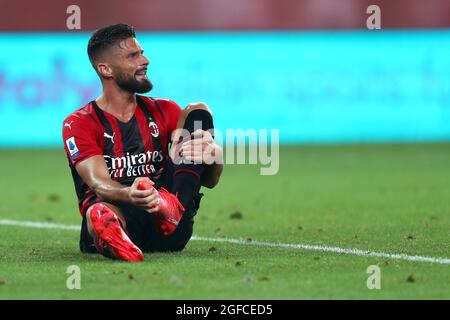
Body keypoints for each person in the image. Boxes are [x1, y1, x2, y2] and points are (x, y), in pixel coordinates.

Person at [62, 24, 223, 262]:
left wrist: (216, 158)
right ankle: (113, 236)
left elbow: (208, 181)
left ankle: (170, 208)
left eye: (142, 53)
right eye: (133, 56)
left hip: (168, 221)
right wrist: (132, 194)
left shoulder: (165, 110)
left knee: (197, 112)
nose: (145, 60)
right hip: (122, 212)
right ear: (105, 69)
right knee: (101, 211)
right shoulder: (80, 123)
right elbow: (99, 183)